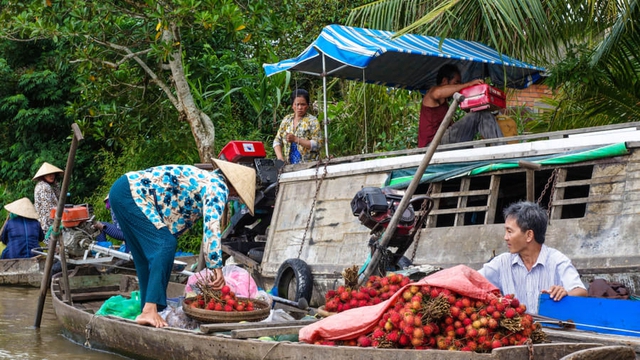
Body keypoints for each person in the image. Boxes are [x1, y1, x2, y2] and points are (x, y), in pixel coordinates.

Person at [108, 161, 256, 328]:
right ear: (235, 188)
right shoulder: (218, 187)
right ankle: (149, 309)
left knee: (145, 257)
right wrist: (216, 267)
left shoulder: (206, 180)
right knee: (164, 245)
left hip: (122, 191)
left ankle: (154, 309)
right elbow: (211, 228)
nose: (235, 197)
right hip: (132, 194)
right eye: (237, 195)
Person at [478, 201, 587, 314]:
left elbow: (581, 291)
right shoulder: (501, 262)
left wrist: (565, 293)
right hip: (514, 330)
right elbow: (474, 279)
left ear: (529, 235)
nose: (505, 237)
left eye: (510, 231)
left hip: (551, 329)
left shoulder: (557, 261)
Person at [419, 64, 504, 147]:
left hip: (442, 142)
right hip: (432, 146)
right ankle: (501, 148)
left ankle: (498, 146)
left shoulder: (445, 105)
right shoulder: (431, 92)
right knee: (479, 115)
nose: (458, 86)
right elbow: (437, 93)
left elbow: (453, 128)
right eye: (456, 83)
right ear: (445, 81)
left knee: (480, 114)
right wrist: (468, 84)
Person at [273, 89, 323, 164]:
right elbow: (277, 141)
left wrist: (296, 139)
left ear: (307, 106)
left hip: (309, 166)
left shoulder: (312, 121)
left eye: (303, 104)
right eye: (297, 104)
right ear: (292, 106)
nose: (300, 107)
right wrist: (280, 158)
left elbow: (317, 144)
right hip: (289, 166)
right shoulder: (287, 120)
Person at [33, 162, 64, 240]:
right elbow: (48, 209)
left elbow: (59, 199)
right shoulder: (44, 187)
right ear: (43, 176)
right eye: (49, 174)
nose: (52, 176)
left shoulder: (42, 185)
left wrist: (56, 185)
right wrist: (57, 223)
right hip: (47, 225)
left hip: (44, 223)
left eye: (53, 174)